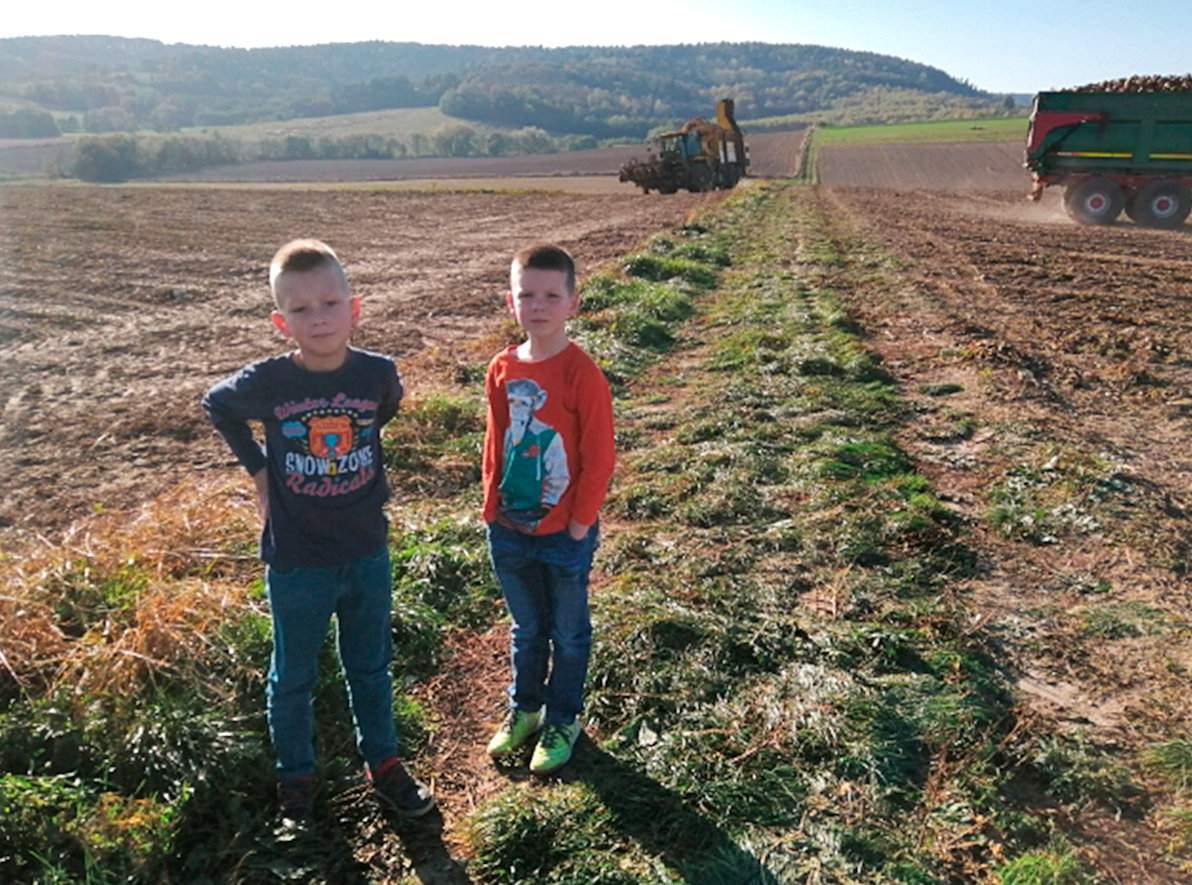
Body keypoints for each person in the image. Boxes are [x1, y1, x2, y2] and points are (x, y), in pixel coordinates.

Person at [202, 239, 434, 823]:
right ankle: (297, 780)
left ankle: (383, 763)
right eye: (301, 310)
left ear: (354, 309)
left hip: (365, 551)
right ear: (281, 323)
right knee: (293, 676)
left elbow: (382, 413)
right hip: (296, 560)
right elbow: (217, 405)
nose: (319, 318)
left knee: (371, 665)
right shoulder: (270, 383)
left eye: (330, 303)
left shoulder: (377, 373)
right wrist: (259, 469)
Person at [482, 243, 615, 775]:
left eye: (551, 295)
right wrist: (490, 505)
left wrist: (580, 522)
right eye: (526, 295)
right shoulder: (501, 368)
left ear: (572, 304)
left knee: (569, 630)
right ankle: (526, 709)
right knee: (526, 629)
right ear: (511, 302)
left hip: (565, 533)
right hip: (509, 529)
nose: (538, 305)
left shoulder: (581, 373)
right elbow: (495, 440)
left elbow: (599, 456)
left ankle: (563, 717)